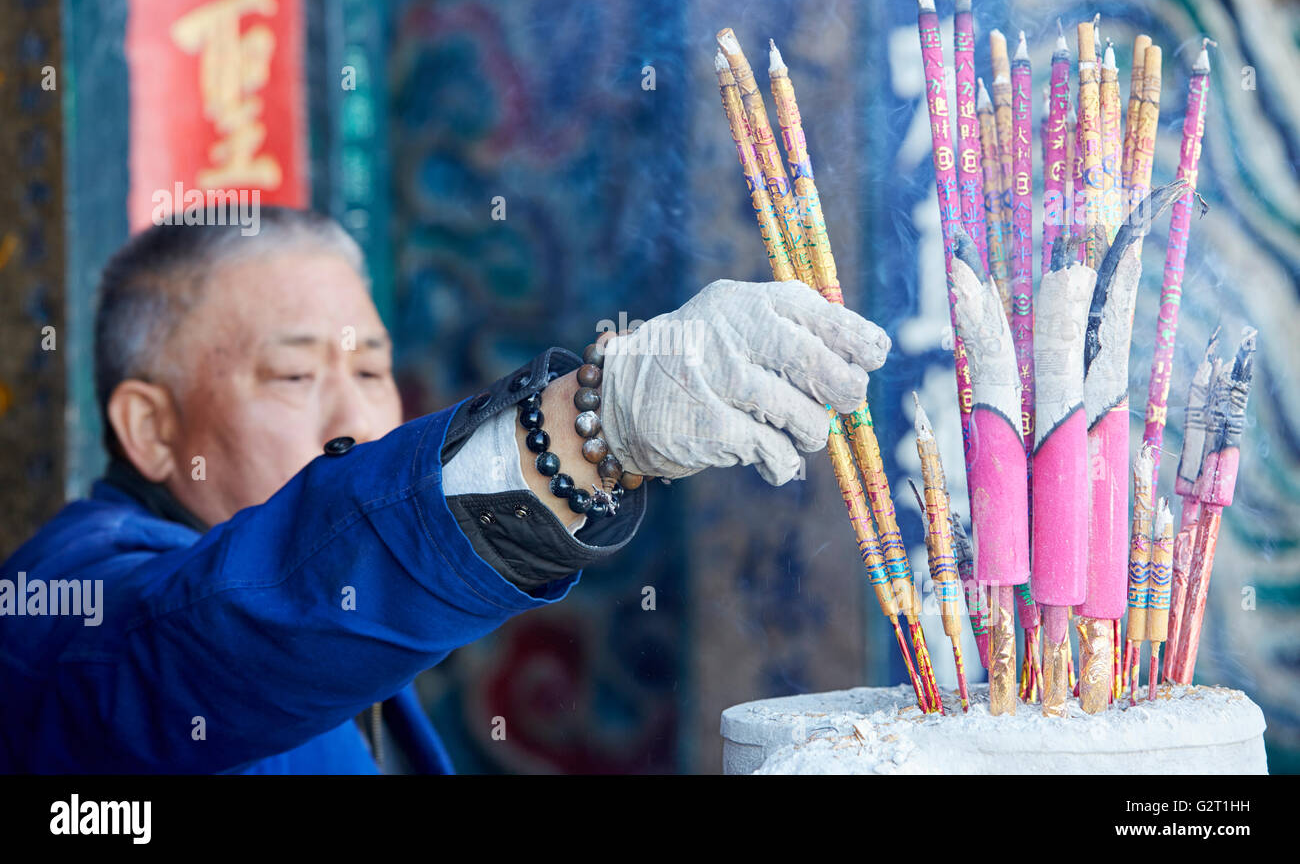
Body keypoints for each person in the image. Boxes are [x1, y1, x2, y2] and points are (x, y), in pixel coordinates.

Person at [0, 207, 890, 773]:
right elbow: (230, 634)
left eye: (374, 368)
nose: (357, 423)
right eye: (294, 377)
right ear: (153, 428)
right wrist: (592, 431)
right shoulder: (65, 611)